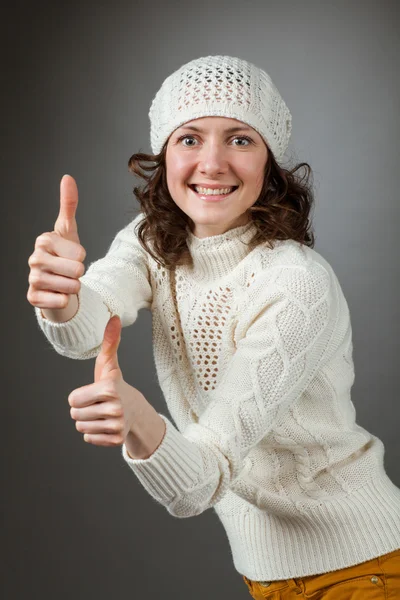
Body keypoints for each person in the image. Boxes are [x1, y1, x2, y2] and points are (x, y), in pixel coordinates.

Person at [27, 55, 400, 598]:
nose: (213, 163)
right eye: (190, 138)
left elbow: (201, 478)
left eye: (240, 139)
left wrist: (139, 421)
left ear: (270, 161)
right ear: (164, 153)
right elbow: (87, 325)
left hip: (363, 567)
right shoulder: (151, 241)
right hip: (269, 576)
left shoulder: (295, 283)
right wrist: (59, 298)